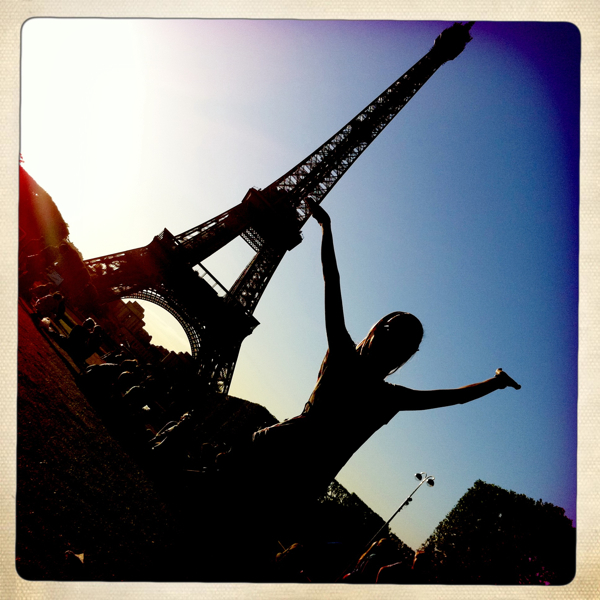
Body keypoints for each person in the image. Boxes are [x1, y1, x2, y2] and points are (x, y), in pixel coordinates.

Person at [247, 200, 521, 513]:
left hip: (271, 451)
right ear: (406, 356)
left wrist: (326, 227)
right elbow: (456, 397)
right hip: (302, 487)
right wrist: (495, 382)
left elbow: (331, 279)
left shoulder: (343, 355)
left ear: (377, 328)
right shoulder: (390, 398)